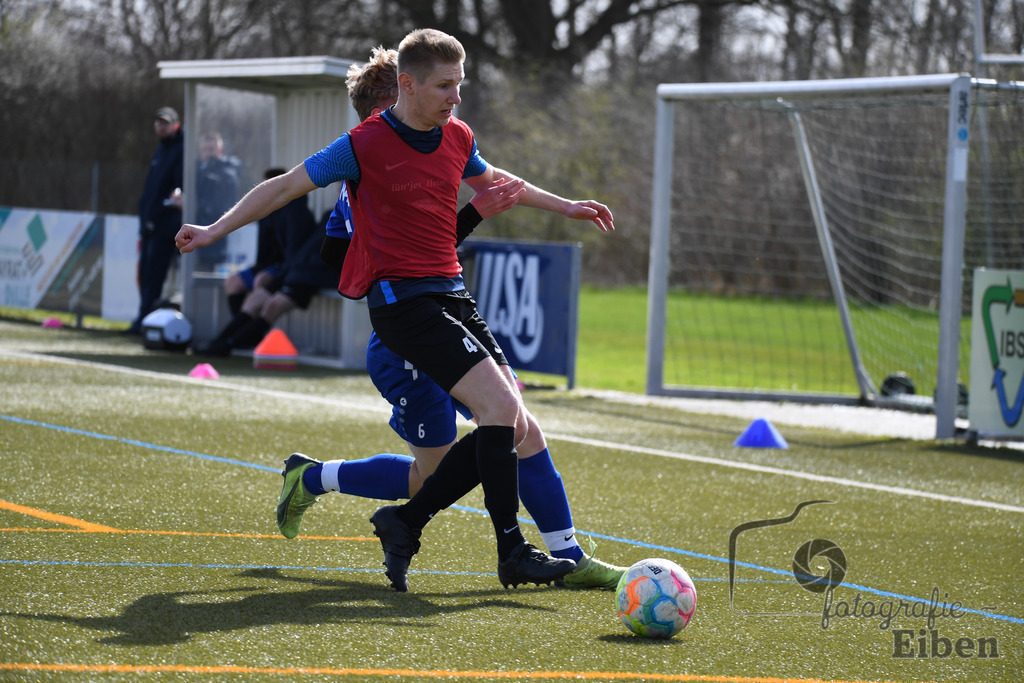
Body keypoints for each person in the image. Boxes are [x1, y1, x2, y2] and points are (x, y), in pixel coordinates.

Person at [174, 28, 614, 592]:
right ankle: (514, 550)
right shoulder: (361, 149)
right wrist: (212, 229)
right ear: (404, 89)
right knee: (500, 415)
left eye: (460, 84)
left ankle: (424, 523)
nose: (456, 95)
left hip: (451, 296)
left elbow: (499, 181)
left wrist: (567, 206)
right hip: (402, 309)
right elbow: (286, 189)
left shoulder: (456, 136)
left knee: (505, 425)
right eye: (444, 85)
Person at [193, 172, 331, 356]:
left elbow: (296, 254)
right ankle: (232, 340)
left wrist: (274, 274)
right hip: (286, 270)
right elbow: (267, 253)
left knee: (268, 303)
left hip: (297, 273)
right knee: (238, 286)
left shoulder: (297, 212)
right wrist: (266, 272)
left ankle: (229, 342)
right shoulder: (267, 212)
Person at [128, 106, 184, 335]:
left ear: (176, 125)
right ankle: (143, 318)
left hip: (166, 228)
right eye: (159, 122)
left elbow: (179, 188)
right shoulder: (161, 150)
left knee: (155, 277)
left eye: (166, 122)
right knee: (147, 276)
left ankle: (147, 320)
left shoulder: (181, 149)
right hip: (150, 227)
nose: (162, 126)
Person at [193, 132, 241, 270]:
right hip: (196, 237)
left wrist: (194, 205)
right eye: (204, 150)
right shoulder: (197, 171)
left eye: (211, 149)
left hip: (217, 241)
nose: (208, 154)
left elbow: (222, 205)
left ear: (220, 150)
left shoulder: (227, 173)